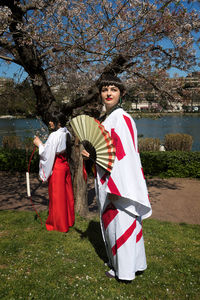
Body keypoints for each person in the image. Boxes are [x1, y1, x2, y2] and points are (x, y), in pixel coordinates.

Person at [82, 74, 152, 282]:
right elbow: (112, 152)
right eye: (105, 90)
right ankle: (134, 264)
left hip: (117, 183)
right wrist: (94, 156)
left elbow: (124, 156)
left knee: (120, 225)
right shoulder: (112, 118)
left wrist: (116, 187)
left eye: (113, 89)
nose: (109, 93)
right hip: (115, 179)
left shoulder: (120, 119)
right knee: (125, 224)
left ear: (121, 93)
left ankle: (123, 271)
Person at [33, 110, 75, 233]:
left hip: (57, 168)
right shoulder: (67, 132)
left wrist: (39, 144)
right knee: (66, 194)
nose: (50, 122)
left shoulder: (54, 135)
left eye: (52, 120)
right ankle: (68, 220)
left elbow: (47, 154)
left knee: (57, 196)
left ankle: (59, 224)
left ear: (58, 122)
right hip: (64, 166)